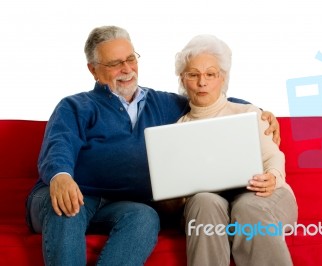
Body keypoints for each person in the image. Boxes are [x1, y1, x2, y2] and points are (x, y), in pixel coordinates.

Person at [25, 26, 281, 266]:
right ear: (93, 70)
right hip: (74, 193)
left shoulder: (163, 103)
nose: (126, 69)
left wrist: (259, 112)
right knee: (68, 205)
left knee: (145, 217)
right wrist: (61, 176)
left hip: (122, 205)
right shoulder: (76, 106)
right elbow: (60, 144)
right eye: (115, 64)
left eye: (130, 59)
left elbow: (205, 95)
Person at [174, 34, 298, 266]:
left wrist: (273, 177)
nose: (202, 82)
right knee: (203, 200)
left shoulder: (249, 113)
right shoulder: (179, 129)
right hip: (212, 207)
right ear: (183, 80)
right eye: (193, 75)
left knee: (247, 206)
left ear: (222, 78)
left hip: (264, 196)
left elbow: (273, 157)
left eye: (210, 74)